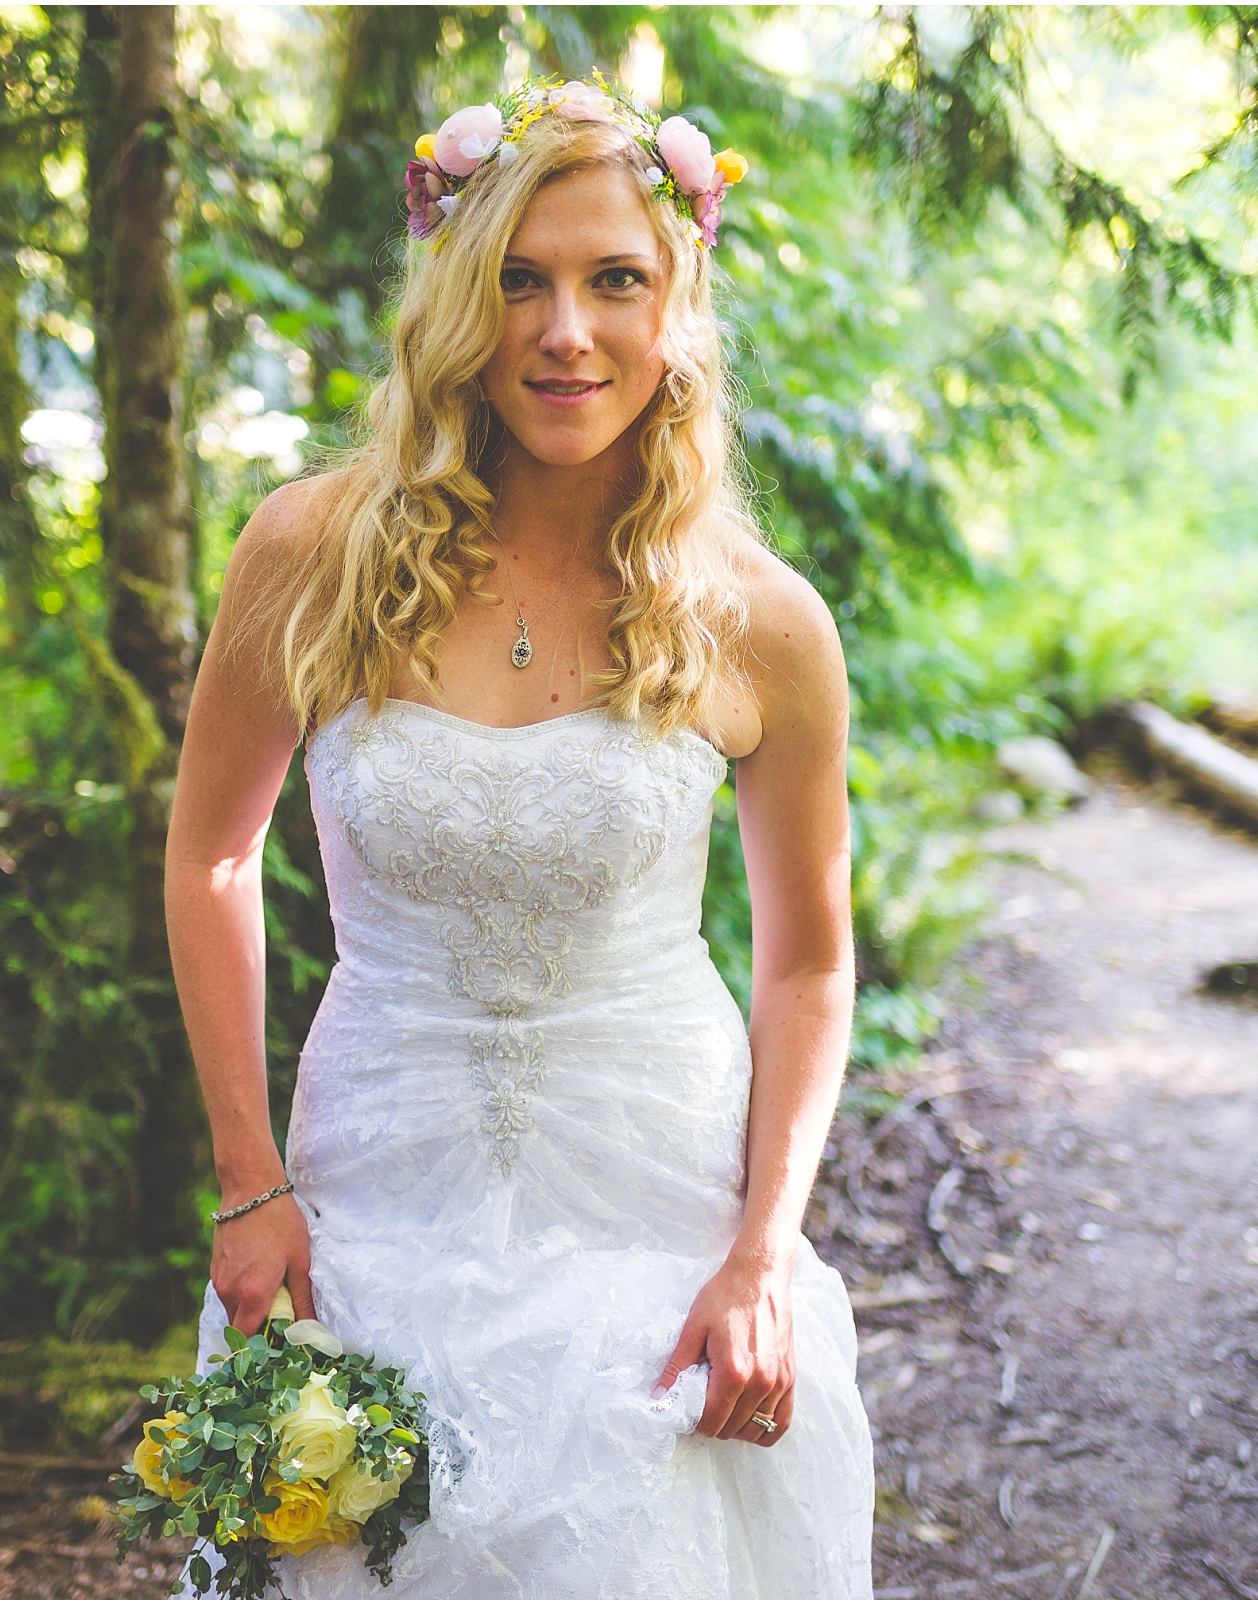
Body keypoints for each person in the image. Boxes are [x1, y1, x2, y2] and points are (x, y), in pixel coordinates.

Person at [165, 74, 872, 1597]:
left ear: (676, 302)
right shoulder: (310, 554)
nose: (566, 330)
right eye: (519, 279)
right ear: (454, 302)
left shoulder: (759, 621)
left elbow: (809, 959)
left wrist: (760, 1250)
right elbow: (210, 856)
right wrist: (245, 1177)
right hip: (371, 1185)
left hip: (657, 1199)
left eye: (616, 279)